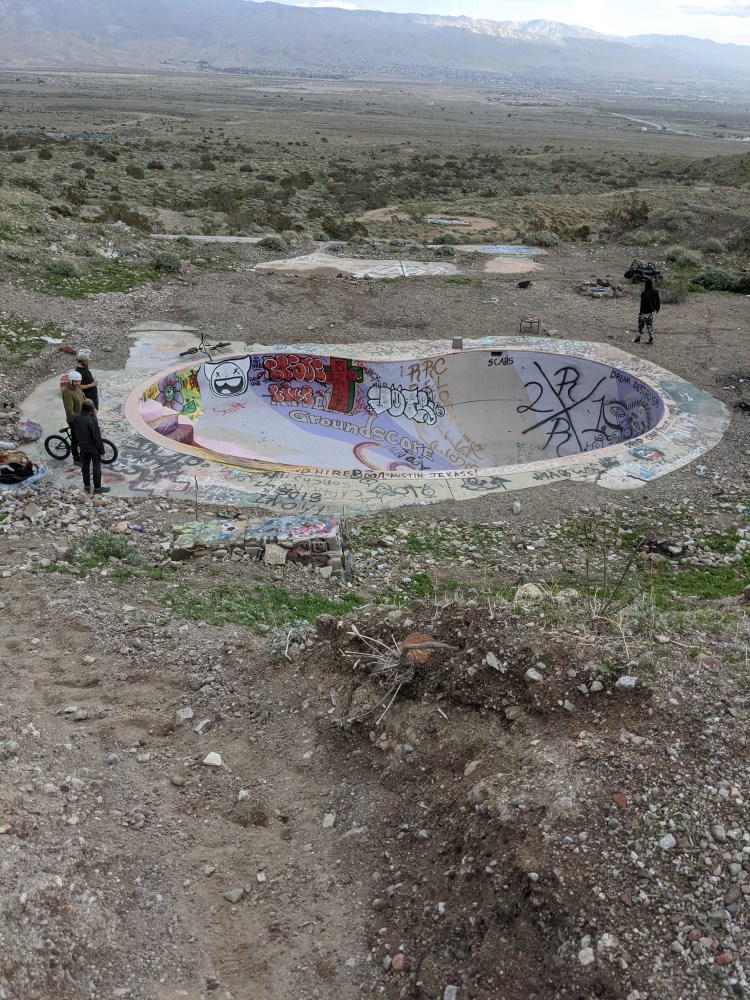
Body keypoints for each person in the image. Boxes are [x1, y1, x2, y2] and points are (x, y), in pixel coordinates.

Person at [71, 399, 110, 495]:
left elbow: (74, 435)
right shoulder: (92, 420)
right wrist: (103, 451)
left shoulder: (76, 417)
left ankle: (87, 486)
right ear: (91, 408)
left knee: (85, 466)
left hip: (83, 447)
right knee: (96, 468)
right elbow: (97, 438)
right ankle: (97, 488)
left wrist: (75, 450)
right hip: (93, 449)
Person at [62, 370, 84, 464]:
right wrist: (76, 420)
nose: (78, 383)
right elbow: (69, 410)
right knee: (76, 439)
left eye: (79, 381)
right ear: (71, 381)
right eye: (76, 381)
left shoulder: (78, 388)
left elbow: (84, 398)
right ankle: (76, 459)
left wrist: (91, 408)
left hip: (82, 416)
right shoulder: (67, 393)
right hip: (74, 420)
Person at [633, 278, 661, 344]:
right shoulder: (655, 292)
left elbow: (642, 304)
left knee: (641, 325)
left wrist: (640, 314)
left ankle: (638, 338)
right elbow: (658, 300)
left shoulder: (644, 294)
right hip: (652, 311)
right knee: (649, 325)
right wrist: (658, 308)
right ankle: (650, 338)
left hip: (645, 312)